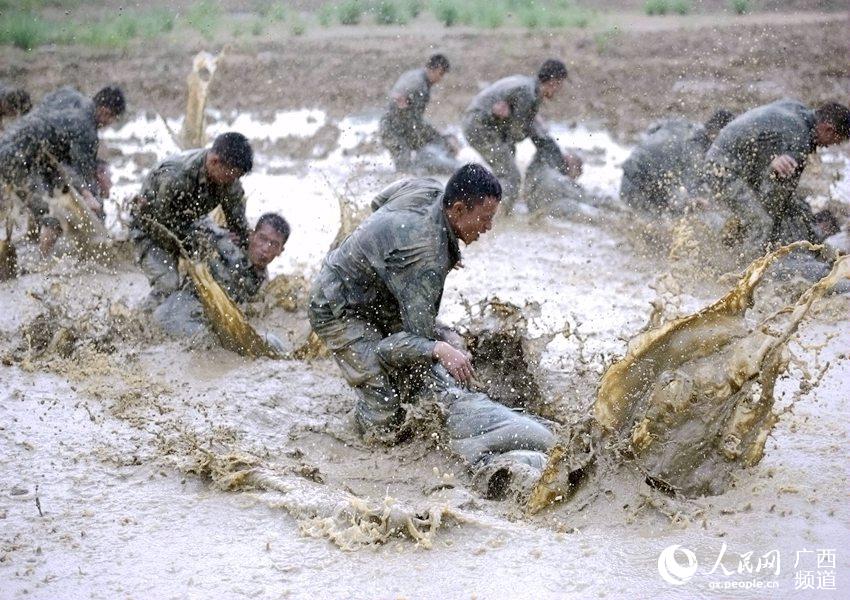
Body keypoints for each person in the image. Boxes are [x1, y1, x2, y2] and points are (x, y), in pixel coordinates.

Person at [308, 164, 555, 499]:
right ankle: (355, 428)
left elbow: (379, 203)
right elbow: (393, 348)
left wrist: (392, 260)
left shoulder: (427, 189)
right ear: (456, 209)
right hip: (338, 308)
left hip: (369, 287)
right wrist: (440, 348)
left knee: (421, 363)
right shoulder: (425, 261)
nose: (488, 227)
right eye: (483, 218)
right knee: (385, 420)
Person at [704, 99, 850, 249]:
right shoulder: (800, 139)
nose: (833, 145)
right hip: (722, 170)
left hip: (730, 159)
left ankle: (733, 240)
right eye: (837, 140)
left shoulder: (797, 108)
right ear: (828, 130)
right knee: (762, 223)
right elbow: (773, 197)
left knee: (792, 208)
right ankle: (747, 268)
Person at [130, 132, 254, 306]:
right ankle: (142, 319)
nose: (233, 181)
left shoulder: (229, 180)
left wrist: (245, 249)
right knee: (168, 286)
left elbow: (238, 225)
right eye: (231, 175)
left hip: (192, 223)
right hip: (151, 230)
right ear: (214, 162)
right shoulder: (175, 176)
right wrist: (203, 245)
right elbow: (163, 226)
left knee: (231, 256)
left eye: (237, 177)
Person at [153, 213, 289, 343]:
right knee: (210, 343)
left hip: (199, 318)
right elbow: (194, 226)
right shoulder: (227, 246)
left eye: (274, 244)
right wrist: (217, 236)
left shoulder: (262, 281)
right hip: (175, 311)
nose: (265, 248)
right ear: (251, 235)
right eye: (262, 238)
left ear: (280, 251)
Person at [0, 84, 125, 221]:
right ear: (105, 111)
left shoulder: (69, 95)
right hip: (16, 159)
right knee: (49, 214)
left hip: (9, 141)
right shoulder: (87, 130)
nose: (109, 124)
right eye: (113, 119)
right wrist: (95, 203)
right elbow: (82, 176)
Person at [462, 59, 569, 213]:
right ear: (553, 82)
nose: (559, 90)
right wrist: (535, 127)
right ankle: (495, 218)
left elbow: (516, 127)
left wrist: (533, 123)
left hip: (479, 124)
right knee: (511, 176)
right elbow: (516, 132)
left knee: (507, 160)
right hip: (479, 127)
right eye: (560, 85)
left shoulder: (528, 86)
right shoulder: (528, 94)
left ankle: (480, 203)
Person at [620, 109, 735, 213]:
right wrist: (698, 201)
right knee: (684, 212)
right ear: (713, 135)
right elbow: (687, 192)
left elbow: (652, 129)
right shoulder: (695, 154)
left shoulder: (684, 125)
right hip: (634, 190)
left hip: (631, 168)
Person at [379, 54, 459, 175]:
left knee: (437, 140)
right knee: (404, 169)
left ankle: (425, 167)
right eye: (441, 74)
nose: (440, 79)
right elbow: (399, 99)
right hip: (394, 130)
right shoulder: (417, 83)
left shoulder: (417, 77)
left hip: (403, 126)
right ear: (435, 69)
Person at [522, 136, 604, 220]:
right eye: (578, 167)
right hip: (546, 196)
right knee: (589, 209)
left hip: (535, 203)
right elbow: (584, 197)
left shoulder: (545, 158)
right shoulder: (553, 153)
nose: (573, 178)